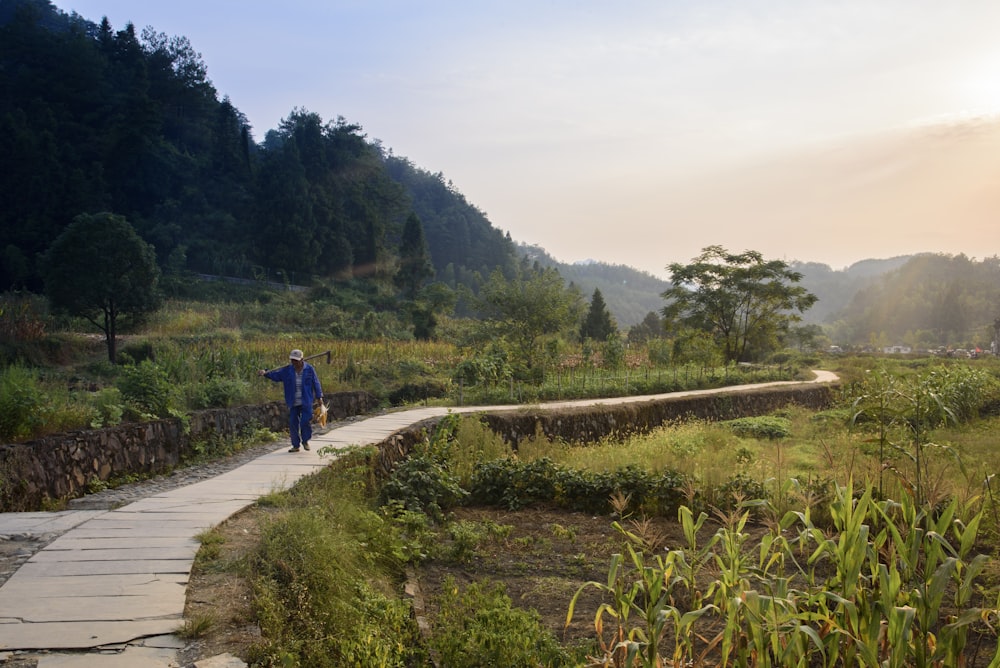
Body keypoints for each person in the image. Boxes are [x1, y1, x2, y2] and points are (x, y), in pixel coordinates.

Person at [258, 349, 324, 452]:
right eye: (292, 360)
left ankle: (305, 440)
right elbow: (276, 376)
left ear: (302, 360)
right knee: (293, 422)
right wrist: (266, 373)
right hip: (293, 401)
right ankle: (295, 445)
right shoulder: (287, 370)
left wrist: (319, 398)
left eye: (296, 360)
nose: (294, 362)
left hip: (306, 400)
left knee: (305, 421)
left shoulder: (309, 369)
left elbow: (316, 383)